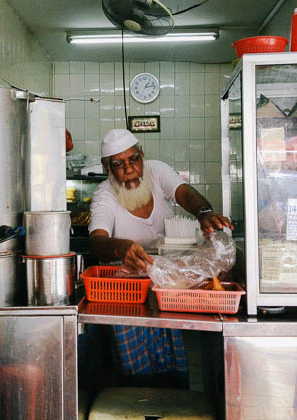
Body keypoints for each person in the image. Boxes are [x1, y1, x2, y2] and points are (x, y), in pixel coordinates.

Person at [88, 128, 233, 386]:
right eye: (118, 164)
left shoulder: (156, 171)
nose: (129, 169)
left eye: (134, 159)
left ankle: (173, 403)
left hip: (167, 285)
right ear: (106, 167)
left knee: (170, 354)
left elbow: (184, 193)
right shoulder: (104, 195)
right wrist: (120, 248)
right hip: (126, 292)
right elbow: (97, 240)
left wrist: (203, 213)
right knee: (133, 367)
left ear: (142, 155)